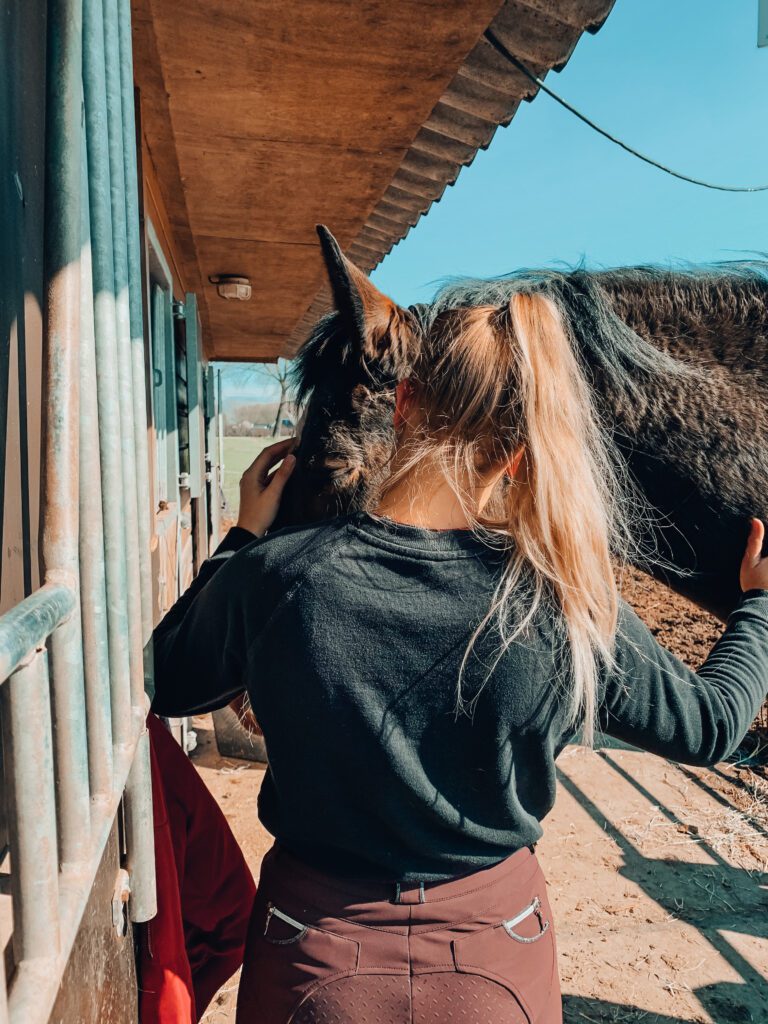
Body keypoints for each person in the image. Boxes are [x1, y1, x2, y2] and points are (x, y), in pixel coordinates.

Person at [152, 281, 768, 1024]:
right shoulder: (559, 600)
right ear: (516, 453)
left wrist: (244, 538)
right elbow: (711, 725)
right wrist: (758, 603)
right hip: (494, 956)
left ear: (402, 403)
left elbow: (165, 681)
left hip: (312, 949)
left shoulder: (279, 578)